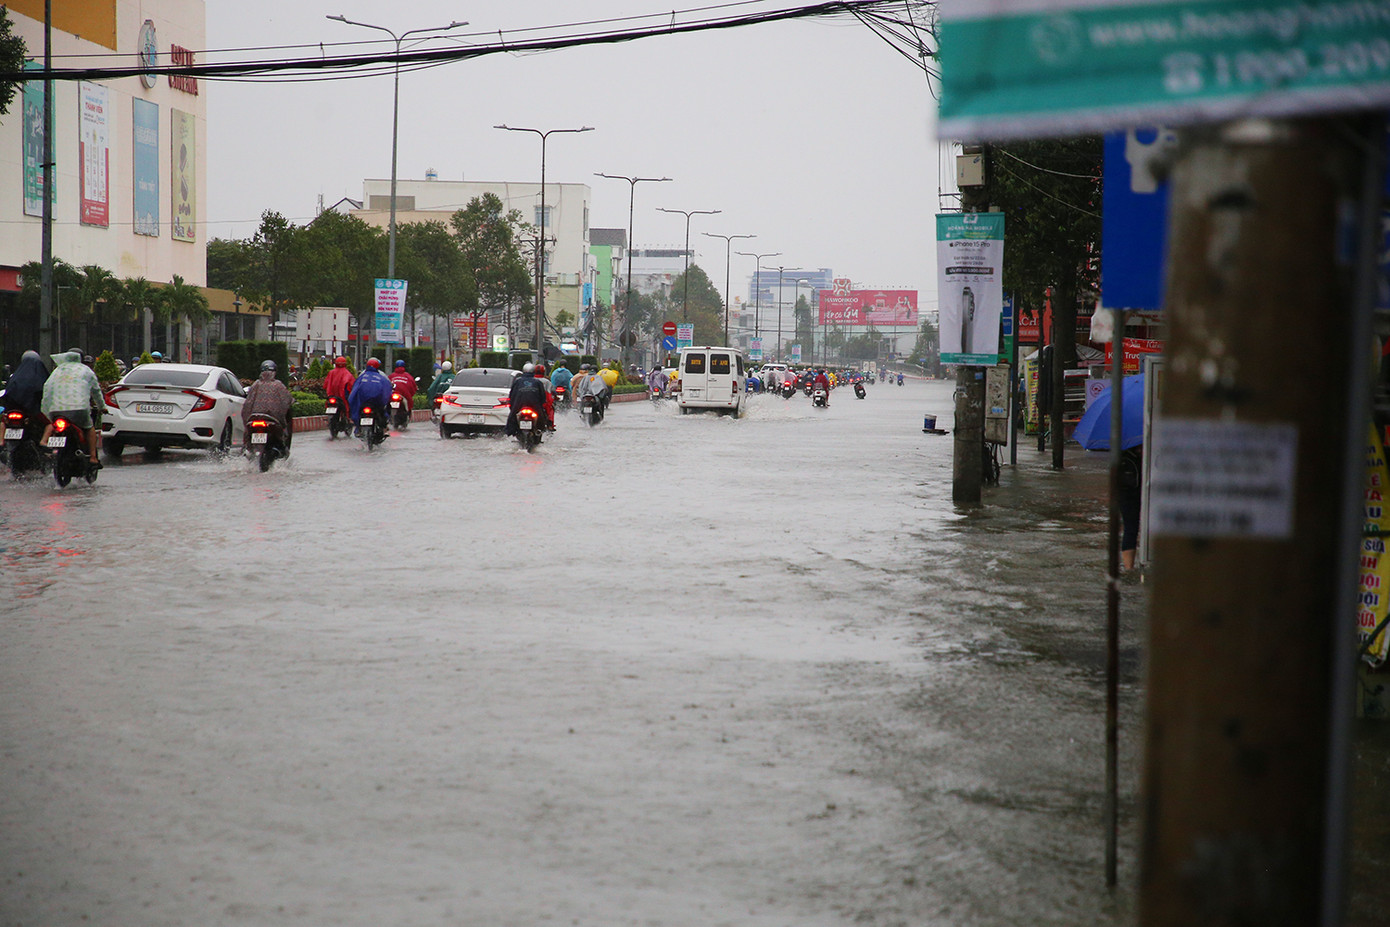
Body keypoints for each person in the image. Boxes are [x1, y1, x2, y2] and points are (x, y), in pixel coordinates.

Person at [39, 350, 103, 467]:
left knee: (53, 425)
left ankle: (45, 441)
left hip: (56, 411)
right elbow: (96, 391)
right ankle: (93, 457)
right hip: (79, 410)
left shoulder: (57, 371)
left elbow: (47, 390)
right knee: (89, 428)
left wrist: (45, 411)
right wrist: (102, 407)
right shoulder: (86, 371)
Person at [241, 360, 294, 450]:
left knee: (246, 440)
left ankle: (247, 449)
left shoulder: (256, 384)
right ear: (274, 372)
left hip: (253, 418)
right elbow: (287, 400)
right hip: (272, 420)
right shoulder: (278, 385)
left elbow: (247, 404)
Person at [349, 357, 394, 435]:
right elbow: (387, 391)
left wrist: (352, 402)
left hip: (364, 403)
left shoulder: (362, 376)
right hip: (377, 403)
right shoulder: (382, 377)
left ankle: (358, 429)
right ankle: (384, 428)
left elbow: (354, 391)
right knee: (385, 411)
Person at [4, 350, 49, 423]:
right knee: (49, 425)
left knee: (4, 422)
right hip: (32, 411)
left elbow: (8, 393)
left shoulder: (15, 376)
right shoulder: (40, 373)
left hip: (13, 409)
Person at [1119, 444, 1144, 572]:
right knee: (1131, 529)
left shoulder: (1152, 453)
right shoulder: (1123, 457)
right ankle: (1129, 567)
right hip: (1128, 495)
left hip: (1146, 495)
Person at [505, 362, 547, 436]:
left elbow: (512, 395)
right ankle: (540, 431)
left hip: (519, 405)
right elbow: (543, 397)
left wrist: (512, 405)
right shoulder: (538, 382)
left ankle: (510, 433)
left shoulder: (517, 381)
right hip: (535, 406)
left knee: (511, 418)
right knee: (541, 418)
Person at [533, 363, 556, 429]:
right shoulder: (547, 382)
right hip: (544, 403)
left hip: (530, 402)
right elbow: (551, 392)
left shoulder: (531, 380)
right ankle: (550, 425)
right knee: (551, 408)